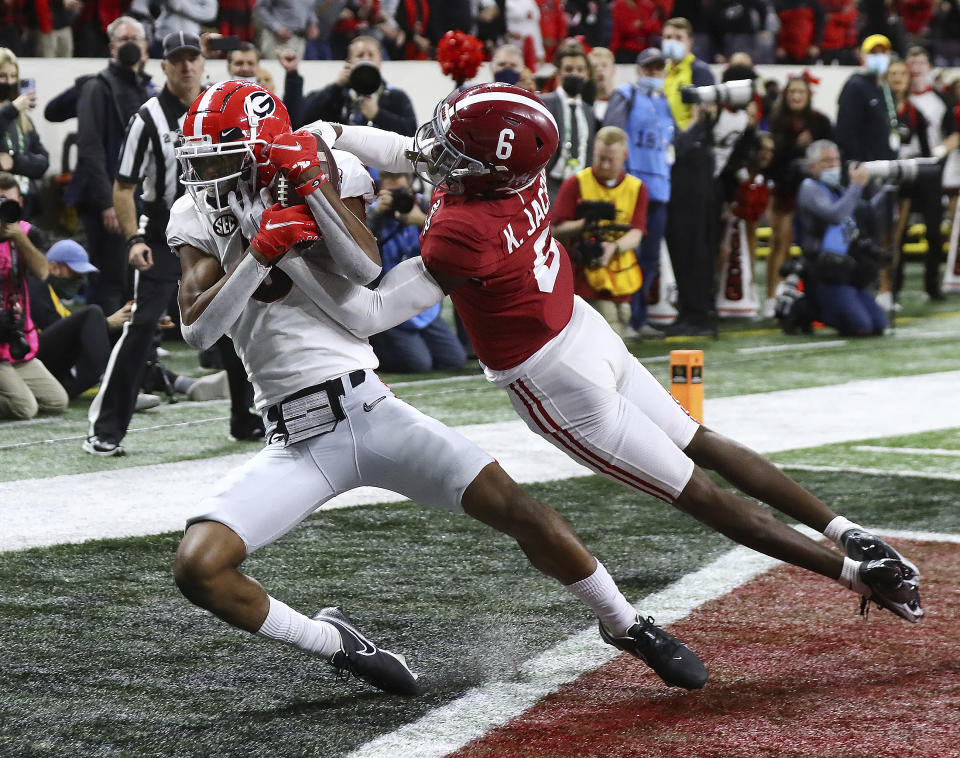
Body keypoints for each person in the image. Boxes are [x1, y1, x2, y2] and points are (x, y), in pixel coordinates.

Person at [312, 83, 924, 657]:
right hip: (581, 328)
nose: (437, 151)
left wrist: (290, 247)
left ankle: (855, 574)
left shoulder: (461, 231)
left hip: (552, 377)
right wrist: (326, 132)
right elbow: (412, 149)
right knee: (701, 442)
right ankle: (847, 531)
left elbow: (367, 311)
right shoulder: (519, 177)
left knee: (701, 494)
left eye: (455, 148)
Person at [169, 80, 709, 696]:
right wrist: (261, 251)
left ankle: (626, 622)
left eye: (219, 152)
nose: (204, 170)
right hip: (293, 435)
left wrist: (311, 192)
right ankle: (336, 643)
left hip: (367, 407)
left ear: (265, 147)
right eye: (199, 154)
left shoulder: (324, 167)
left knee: (519, 510)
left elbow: (365, 269)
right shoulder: (195, 212)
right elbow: (198, 327)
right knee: (198, 568)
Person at [85, 34, 262, 457]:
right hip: (163, 231)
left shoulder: (221, 106)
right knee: (143, 323)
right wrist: (133, 239)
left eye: (192, 59)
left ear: (203, 63)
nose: (186, 67)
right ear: (162, 67)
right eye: (176, 60)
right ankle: (106, 427)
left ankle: (244, 416)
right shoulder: (147, 117)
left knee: (233, 317)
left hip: (216, 226)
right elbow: (124, 187)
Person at [64, 16, 154, 318]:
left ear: (145, 47)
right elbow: (90, 149)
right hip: (107, 200)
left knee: (132, 278)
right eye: (124, 39)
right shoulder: (96, 87)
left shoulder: (145, 87)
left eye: (135, 39)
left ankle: (134, 353)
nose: (130, 45)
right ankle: (104, 353)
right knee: (111, 278)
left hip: (134, 197)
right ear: (112, 47)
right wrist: (108, 203)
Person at [603, 47, 673, 340]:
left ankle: (638, 316)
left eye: (659, 68)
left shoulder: (664, 102)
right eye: (649, 68)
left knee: (649, 257)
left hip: (660, 189)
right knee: (631, 254)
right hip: (633, 187)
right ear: (640, 69)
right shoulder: (625, 96)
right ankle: (626, 318)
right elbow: (612, 135)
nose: (654, 73)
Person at [366, 172, 467, 373]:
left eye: (403, 191)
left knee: (453, 360)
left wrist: (422, 220)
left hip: (422, 305)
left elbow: (456, 236)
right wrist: (377, 213)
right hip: (389, 304)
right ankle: (372, 343)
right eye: (391, 192)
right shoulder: (369, 213)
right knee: (418, 364)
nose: (398, 197)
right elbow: (356, 244)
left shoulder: (423, 208)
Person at [552, 126, 647, 338]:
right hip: (584, 274)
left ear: (625, 156)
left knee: (619, 320)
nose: (604, 165)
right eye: (599, 158)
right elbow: (555, 229)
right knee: (609, 327)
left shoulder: (637, 188)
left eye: (610, 160)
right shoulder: (575, 183)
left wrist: (613, 247)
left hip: (621, 274)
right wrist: (585, 224)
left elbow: (637, 233)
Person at [795, 139, 889, 336]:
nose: (834, 165)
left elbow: (860, 217)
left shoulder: (838, 190)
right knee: (860, 326)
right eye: (827, 161)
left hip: (845, 271)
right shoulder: (810, 188)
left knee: (879, 324)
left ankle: (830, 304)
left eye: (836, 160)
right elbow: (836, 215)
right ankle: (805, 308)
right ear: (813, 167)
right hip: (822, 272)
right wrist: (856, 187)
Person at [661, 16, 718, 336]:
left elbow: (702, 120)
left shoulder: (699, 71)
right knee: (679, 239)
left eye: (678, 35)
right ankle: (687, 309)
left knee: (694, 239)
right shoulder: (667, 72)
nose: (671, 40)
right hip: (674, 164)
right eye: (667, 35)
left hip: (692, 163)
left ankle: (699, 313)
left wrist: (678, 145)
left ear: (690, 41)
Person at [26, 238, 134, 400]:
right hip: (31, 361)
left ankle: (164, 380)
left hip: (48, 366)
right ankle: (112, 387)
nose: (80, 280)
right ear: (54, 267)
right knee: (93, 313)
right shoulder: (35, 285)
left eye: (82, 275)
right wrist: (106, 324)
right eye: (75, 273)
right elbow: (63, 336)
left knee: (122, 325)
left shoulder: (52, 294)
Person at [0, 173, 68, 420]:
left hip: (15, 341)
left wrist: (17, 236)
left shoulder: (27, 233)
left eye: (9, 203)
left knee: (56, 402)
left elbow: (41, 272)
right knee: (25, 408)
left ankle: (13, 384)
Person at [766, 74, 833, 317]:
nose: (796, 96)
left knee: (814, 247)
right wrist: (796, 146)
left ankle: (816, 297)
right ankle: (771, 297)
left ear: (808, 96)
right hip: (785, 190)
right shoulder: (777, 122)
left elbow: (831, 156)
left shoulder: (821, 122)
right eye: (792, 92)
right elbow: (773, 162)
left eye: (800, 92)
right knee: (780, 242)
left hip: (815, 192)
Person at [279, 36, 417, 134]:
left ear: (380, 61)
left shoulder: (396, 97)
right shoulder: (336, 95)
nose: (366, 59)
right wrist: (336, 86)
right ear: (349, 62)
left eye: (371, 55)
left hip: (384, 173)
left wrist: (378, 114)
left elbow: (412, 132)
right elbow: (300, 122)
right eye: (360, 55)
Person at [542, 40, 597, 201]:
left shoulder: (588, 110)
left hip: (579, 188)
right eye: (569, 69)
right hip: (548, 184)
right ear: (558, 73)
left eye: (580, 70)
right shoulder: (545, 103)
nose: (575, 74)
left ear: (587, 74)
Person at [0, 49, 49, 220]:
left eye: (13, 76)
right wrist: (10, 110)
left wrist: (15, 161)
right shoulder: (11, 112)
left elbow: (43, 162)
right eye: (3, 76)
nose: (9, 82)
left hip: (25, 201)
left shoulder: (22, 118)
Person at [253, 0, 318, 59]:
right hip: (276, 39)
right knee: (275, 70)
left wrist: (312, 23)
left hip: (299, 39)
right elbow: (260, 8)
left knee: (294, 70)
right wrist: (277, 27)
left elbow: (310, 8)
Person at [586, 46, 617, 126]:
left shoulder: (622, 102)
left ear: (613, 70)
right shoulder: (583, 104)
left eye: (604, 65)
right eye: (594, 67)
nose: (599, 70)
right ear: (588, 73)